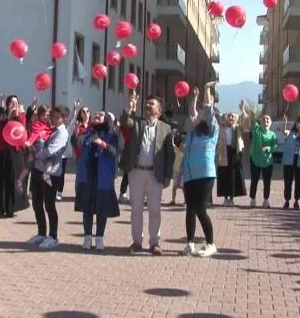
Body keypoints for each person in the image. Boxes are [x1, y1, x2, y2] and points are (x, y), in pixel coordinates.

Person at [120, 93, 174, 255]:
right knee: (136, 209)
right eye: (147, 103)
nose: (148, 106)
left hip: (154, 174)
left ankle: (154, 242)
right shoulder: (137, 123)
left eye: (152, 104)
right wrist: (130, 106)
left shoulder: (166, 128)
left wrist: (167, 176)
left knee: (154, 210)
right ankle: (137, 241)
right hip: (136, 172)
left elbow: (169, 154)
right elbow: (124, 122)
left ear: (159, 109)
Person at [180, 82, 219, 257]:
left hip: (205, 174)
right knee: (190, 209)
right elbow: (191, 114)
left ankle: (210, 243)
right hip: (189, 175)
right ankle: (190, 244)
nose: (198, 115)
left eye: (201, 113)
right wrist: (193, 98)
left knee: (201, 209)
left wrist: (206, 90)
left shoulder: (212, 130)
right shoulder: (191, 132)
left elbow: (208, 109)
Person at [23, 106, 69, 250]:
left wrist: (35, 153)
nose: (53, 119)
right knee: (37, 202)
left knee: (49, 205)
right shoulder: (50, 129)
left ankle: (53, 236)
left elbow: (50, 150)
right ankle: (41, 233)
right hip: (39, 169)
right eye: (52, 116)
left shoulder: (61, 133)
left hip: (50, 174)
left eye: (57, 117)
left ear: (64, 118)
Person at [75, 111, 120, 251]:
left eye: (100, 115)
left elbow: (115, 152)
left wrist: (102, 143)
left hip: (103, 177)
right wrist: (76, 133)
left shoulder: (112, 135)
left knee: (102, 210)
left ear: (106, 119)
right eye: (95, 115)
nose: (96, 116)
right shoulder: (88, 133)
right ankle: (87, 237)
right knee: (87, 208)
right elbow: (76, 144)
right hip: (88, 176)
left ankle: (99, 237)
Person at [215, 111, 245, 207]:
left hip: (234, 152)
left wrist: (243, 110)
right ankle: (225, 198)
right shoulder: (221, 128)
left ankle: (231, 199)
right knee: (224, 175)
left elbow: (246, 122)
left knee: (233, 176)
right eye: (229, 116)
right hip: (224, 152)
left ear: (235, 118)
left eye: (232, 116)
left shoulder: (238, 127)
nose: (231, 118)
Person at [281, 116, 300, 210]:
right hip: (289, 159)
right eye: (298, 122)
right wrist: (284, 124)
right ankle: (287, 200)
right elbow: (284, 132)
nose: (299, 124)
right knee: (287, 181)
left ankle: (296, 200)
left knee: (298, 181)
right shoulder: (290, 133)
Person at [249, 114, 277, 208]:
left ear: (271, 122)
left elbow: (275, 146)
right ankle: (253, 199)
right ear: (260, 122)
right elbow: (252, 120)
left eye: (268, 119)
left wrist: (268, 148)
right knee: (254, 180)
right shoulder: (257, 130)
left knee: (267, 182)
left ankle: (266, 200)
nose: (266, 120)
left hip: (267, 162)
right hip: (255, 160)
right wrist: (244, 110)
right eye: (264, 119)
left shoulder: (273, 134)